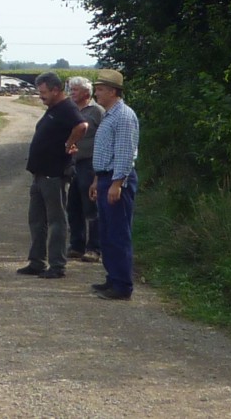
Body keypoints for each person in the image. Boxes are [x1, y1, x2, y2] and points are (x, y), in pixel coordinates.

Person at [17, 72, 88, 279]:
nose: (40, 96)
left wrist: (70, 143)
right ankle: (37, 262)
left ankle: (57, 265)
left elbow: (82, 125)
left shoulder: (67, 108)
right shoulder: (54, 109)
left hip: (54, 174)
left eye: (43, 92)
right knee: (36, 220)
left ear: (56, 90)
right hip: (40, 175)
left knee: (57, 221)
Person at [89, 69, 140, 301]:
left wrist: (117, 183)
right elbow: (105, 152)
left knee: (118, 232)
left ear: (112, 91)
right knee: (107, 232)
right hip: (105, 177)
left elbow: (124, 153)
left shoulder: (123, 116)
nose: (96, 93)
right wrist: (97, 179)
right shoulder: (110, 114)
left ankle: (122, 286)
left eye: (100, 89)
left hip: (116, 179)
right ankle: (113, 278)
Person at [65, 76, 105, 263]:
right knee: (73, 205)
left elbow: (105, 137)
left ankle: (94, 248)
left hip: (90, 163)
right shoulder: (71, 109)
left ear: (86, 93)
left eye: (75, 90)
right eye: (71, 89)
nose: (72, 92)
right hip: (73, 163)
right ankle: (77, 245)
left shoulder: (97, 111)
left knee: (91, 205)